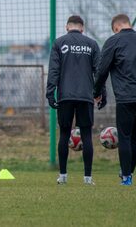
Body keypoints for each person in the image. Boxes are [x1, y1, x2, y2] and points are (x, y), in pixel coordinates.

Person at [93, 14, 136, 186]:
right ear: (128, 24)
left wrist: (96, 92)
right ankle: (128, 172)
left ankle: (126, 178)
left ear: (116, 28)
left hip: (126, 97)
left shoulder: (113, 42)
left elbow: (102, 70)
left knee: (124, 136)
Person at [46, 15, 104, 185]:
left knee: (64, 134)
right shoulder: (92, 44)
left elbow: (54, 70)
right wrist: (101, 93)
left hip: (65, 96)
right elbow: (98, 72)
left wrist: (50, 93)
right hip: (86, 96)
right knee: (86, 135)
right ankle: (88, 178)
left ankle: (63, 176)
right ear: (82, 28)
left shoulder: (59, 43)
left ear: (66, 27)